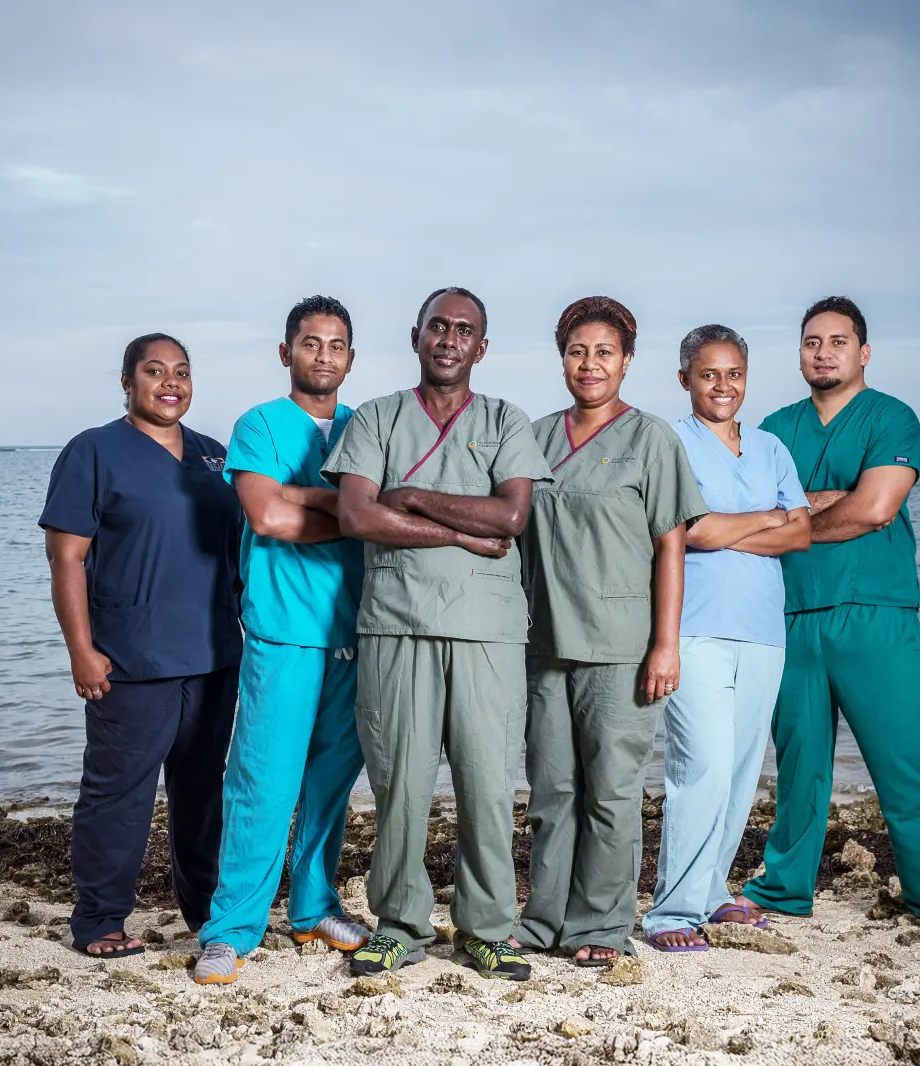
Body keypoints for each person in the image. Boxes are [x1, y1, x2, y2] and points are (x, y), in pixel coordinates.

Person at [736, 296, 920, 944]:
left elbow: (875, 509)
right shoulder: (773, 427)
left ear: (863, 352)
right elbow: (751, 508)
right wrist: (830, 501)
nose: (823, 352)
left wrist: (797, 515)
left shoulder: (891, 417)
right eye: (811, 342)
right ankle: (783, 887)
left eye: (837, 341)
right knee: (799, 768)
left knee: (909, 757)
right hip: (790, 613)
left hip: (875, 612)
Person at [322, 287, 553, 981]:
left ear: (481, 346)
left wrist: (414, 497)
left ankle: (487, 928)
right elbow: (357, 516)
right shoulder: (377, 417)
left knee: (487, 785)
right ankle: (400, 924)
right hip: (397, 626)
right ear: (416, 336)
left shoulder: (505, 420)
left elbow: (510, 517)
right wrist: (459, 532)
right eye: (438, 327)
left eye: (464, 330)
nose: (450, 339)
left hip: (488, 632)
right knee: (400, 783)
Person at [511, 296, 707, 967]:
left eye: (603, 352)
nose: (589, 364)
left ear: (626, 361)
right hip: (542, 642)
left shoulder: (651, 440)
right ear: (561, 359)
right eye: (577, 351)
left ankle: (600, 924)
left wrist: (665, 644)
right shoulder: (533, 437)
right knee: (550, 791)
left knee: (612, 793)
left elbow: (672, 545)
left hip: (621, 645)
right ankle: (543, 921)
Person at [40, 334, 242, 958]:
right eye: (155, 371)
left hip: (213, 657)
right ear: (127, 382)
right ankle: (99, 919)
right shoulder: (94, 451)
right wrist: (81, 649)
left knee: (203, 792)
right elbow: (66, 558)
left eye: (182, 371)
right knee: (117, 794)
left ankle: (207, 912)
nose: (170, 382)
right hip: (130, 659)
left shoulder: (213, 455)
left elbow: (240, 552)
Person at [193, 296, 369, 986]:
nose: (323, 355)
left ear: (350, 358)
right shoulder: (260, 424)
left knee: (330, 781)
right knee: (262, 780)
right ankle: (231, 928)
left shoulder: (365, 426)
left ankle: (313, 907)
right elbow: (267, 516)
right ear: (285, 351)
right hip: (283, 627)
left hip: (355, 630)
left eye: (336, 344)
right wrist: (349, 509)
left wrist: (308, 498)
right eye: (310, 342)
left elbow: (364, 511)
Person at [642, 325, 810, 953]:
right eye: (708, 374)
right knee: (702, 767)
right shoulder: (670, 443)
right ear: (684, 378)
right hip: (694, 629)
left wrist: (727, 527)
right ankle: (671, 912)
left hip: (764, 632)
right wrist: (765, 517)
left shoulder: (771, 449)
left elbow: (800, 534)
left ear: (746, 378)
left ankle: (712, 892)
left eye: (733, 373)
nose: (722, 386)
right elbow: (686, 530)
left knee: (740, 772)